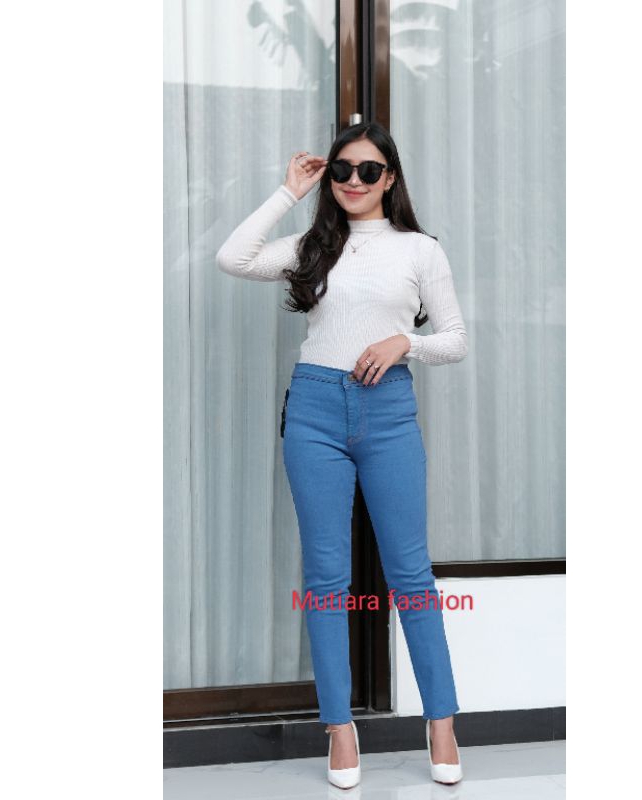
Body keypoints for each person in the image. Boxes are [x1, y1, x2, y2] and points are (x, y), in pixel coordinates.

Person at [216, 121, 465, 787]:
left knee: (410, 574)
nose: (355, 181)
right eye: (342, 170)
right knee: (326, 576)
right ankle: (339, 728)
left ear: (391, 178)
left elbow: (455, 338)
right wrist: (288, 192)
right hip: (315, 410)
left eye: (369, 170)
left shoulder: (420, 250)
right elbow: (233, 258)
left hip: (387, 413)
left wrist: (404, 343)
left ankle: (441, 720)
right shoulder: (312, 246)